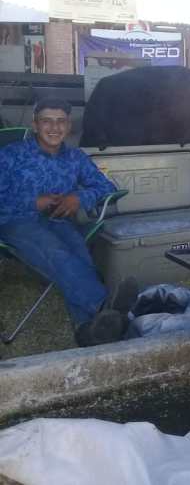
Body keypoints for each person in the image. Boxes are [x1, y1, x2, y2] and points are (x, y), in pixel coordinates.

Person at [0, 99, 138, 347]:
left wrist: (78, 197)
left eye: (61, 121)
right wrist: (34, 202)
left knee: (80, 254)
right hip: (16, 221)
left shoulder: (76, 157)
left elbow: (105, 186)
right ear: (35, 125)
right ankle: (105, 307)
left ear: (69, 126)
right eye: (47, 121)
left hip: (59, 220)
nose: (54, 127)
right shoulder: (11, 154)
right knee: (57, 252)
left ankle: (88, 333)